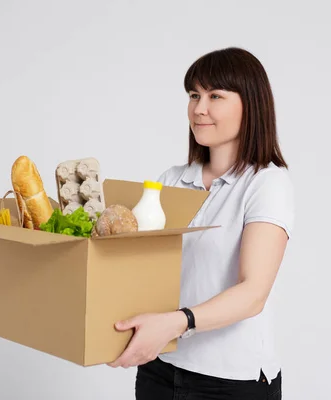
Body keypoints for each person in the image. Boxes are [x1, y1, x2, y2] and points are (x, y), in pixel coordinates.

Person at [107, 47, 294, 400]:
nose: (199, 108)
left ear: (250, 105)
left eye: (215, 96)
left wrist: (176, 322)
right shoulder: (172, 181)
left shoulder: (266, 183)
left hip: (230, 381)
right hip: (161, 369)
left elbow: (253, 293)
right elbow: (136, 269)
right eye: (194, 95)